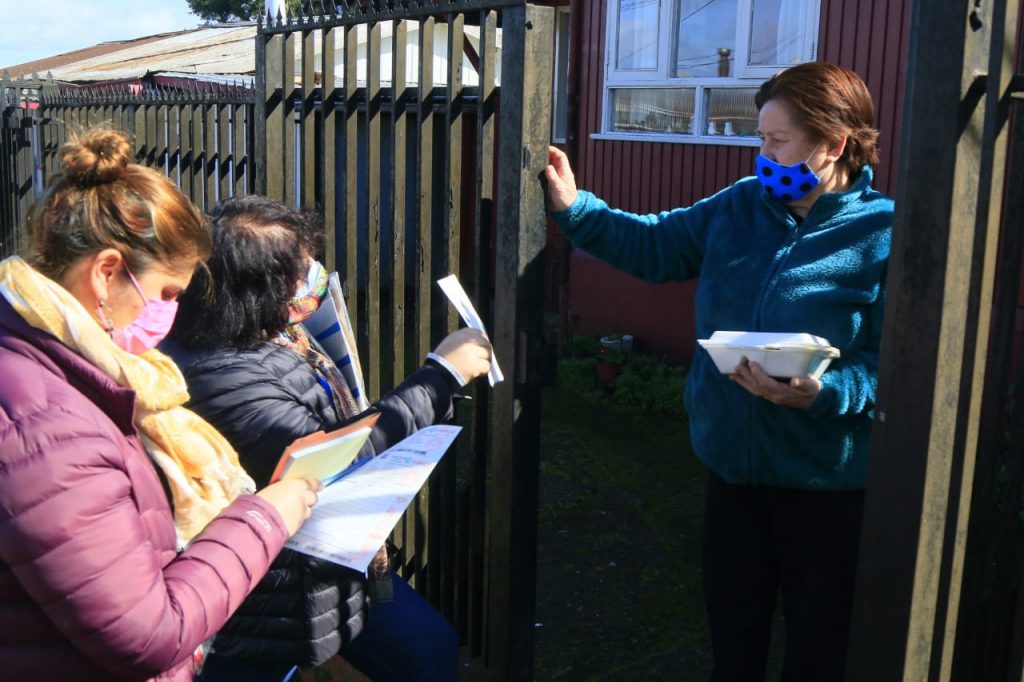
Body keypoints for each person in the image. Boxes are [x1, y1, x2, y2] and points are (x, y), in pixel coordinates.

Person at [544, 62, 893, 681]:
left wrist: (826, 392)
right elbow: (655, 245)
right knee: (734, 635)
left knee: (819, 645)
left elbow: (896, 364)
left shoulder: (882, 232)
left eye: (778, 140)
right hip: (733, 470)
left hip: (825, 485)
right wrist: (577, 209)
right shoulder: (741, 205)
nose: (764, 153)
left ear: (835, 144)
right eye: (760, 138)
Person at [0, 128, 322, 682]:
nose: (170, 314)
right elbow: (149, 634)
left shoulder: (66, 368)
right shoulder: (50, 429)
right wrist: (268, 514)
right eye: (168, 293)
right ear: (106, 273)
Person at [161, 194, 492, 682]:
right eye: (300, 269)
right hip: (270, 595)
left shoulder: (260, 325)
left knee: (429, 648)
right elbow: (331, 454)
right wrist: (441, 375)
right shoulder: (218, 373)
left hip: (326, 569)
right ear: (256, 289)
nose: (314, 274)